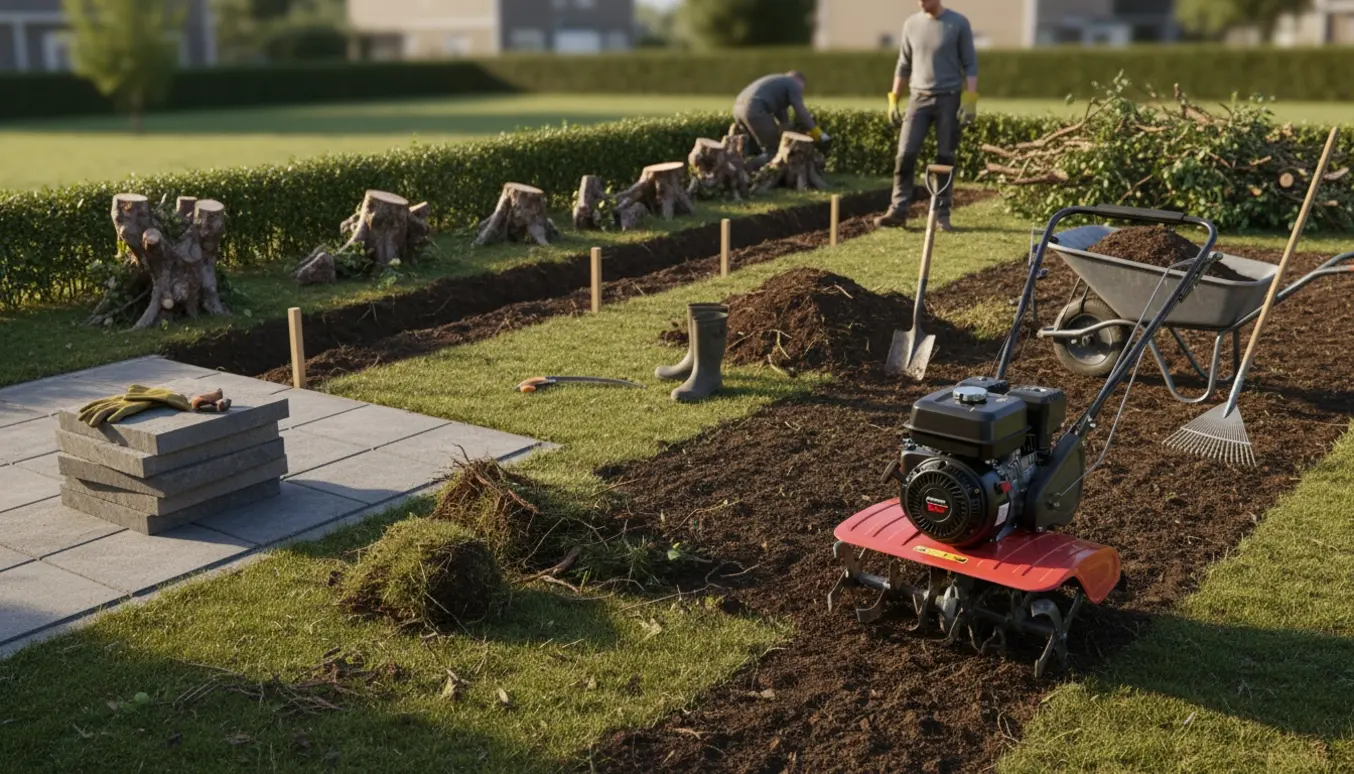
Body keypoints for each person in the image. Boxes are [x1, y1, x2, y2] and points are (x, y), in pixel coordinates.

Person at [874, 0, 979, 231]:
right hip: (918, 98)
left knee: (945, 157)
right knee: (905, 154)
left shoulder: (958, 23)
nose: (920, 1)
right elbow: (903, 64)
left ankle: (942, 214)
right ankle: (898, 210)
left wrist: (970, 100)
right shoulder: (911, 24)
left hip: (949, 98)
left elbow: (970, 64)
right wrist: (894, 100)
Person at [732, 71, 830, 170]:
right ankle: (745, 168)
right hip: (754, 109)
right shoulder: (793, 84)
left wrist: (787, 133)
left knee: (752, 149)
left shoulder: (779, 83)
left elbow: (783, 118)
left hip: (738, 109)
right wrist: (816, 131)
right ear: (799, 82)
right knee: (774, 151)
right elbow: (800, 110)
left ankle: (737, 170)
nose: (799, 92)